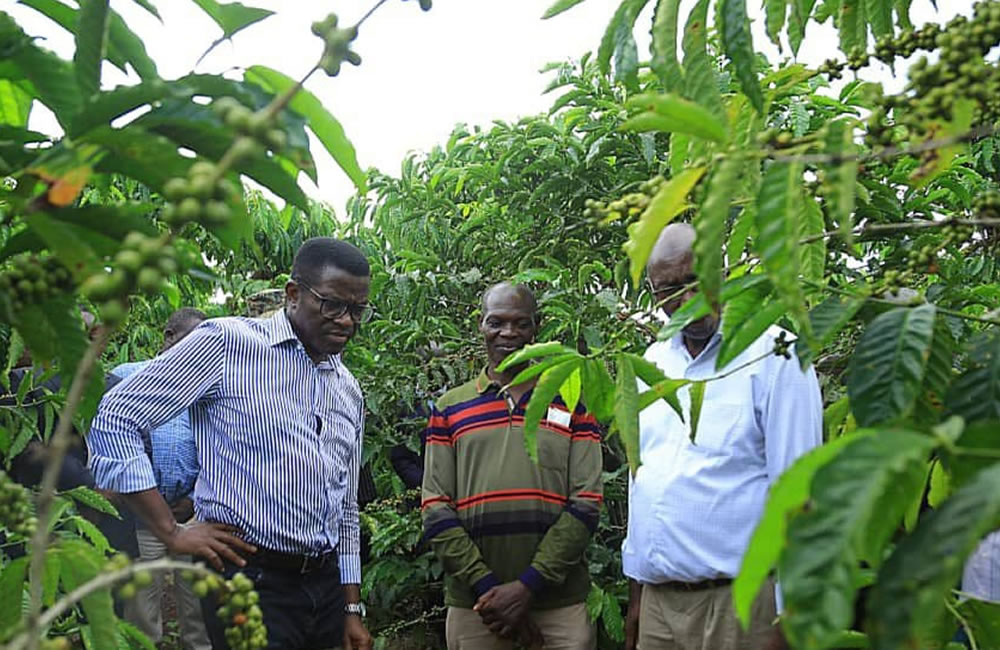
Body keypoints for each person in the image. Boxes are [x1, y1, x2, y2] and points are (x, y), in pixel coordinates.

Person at [87, 238, 374, 650]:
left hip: (324, 586)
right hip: (249, 576)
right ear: (293, 294)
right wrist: (171, 531)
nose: (346, 321)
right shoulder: (228, 344)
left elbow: (345, 506)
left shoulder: (347, 387)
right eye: (332, 305)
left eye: (357, 310)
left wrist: (350, 608)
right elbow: (117, 416)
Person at [621, 223, 823, 650]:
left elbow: (799, 492)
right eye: (667, 289)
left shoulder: (777, 356)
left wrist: (792, 615)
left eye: (697, 280)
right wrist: (638, 596)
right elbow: (640, 482)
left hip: (740, 605)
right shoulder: (651, 364)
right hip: (661, 605)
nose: (685, 299)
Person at [422, 282, 604, 650]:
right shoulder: (449, 407)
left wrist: (527, 587)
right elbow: (435, 506)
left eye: (521, 324)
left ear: (537, 328)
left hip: (559, 606)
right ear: (480, 325)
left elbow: (586, 502)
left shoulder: (571, 402)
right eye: (497, 322)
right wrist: (491, 592)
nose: (509, 333)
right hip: (478, 608)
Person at [110, 307, 210, 650]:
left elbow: (219, 450)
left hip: (192, 514)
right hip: (142, 514)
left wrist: (195, 499)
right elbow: (109, 445)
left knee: (197, 604)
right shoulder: (126, 377)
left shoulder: (205, 389)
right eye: (191, 342)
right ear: (168, 337)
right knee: (142, 606)